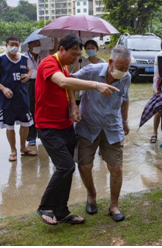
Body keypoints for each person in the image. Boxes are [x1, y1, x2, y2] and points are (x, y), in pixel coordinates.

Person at [34, 33, 119, 226]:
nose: (75, 58)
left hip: (65, 125)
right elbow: (64, 82)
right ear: (61, 49)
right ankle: (45, 206)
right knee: (66, 166)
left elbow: (68, 86)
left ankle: (62, 211)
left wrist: (73, 106)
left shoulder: (64, 67)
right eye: (73, 54)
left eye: (77, 55)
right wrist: (96, 85)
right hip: (48, 127)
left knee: (65, 169)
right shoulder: (48, 63)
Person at [71, 46, 132, 222]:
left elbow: (125, 99)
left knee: (116, 167)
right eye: (120, 67)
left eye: (126, 68)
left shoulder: (126, 77)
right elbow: (69, 82)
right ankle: (91, 195)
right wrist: (73, 105)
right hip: (88, 126)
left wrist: (125, 121)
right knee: (84, 165)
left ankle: (114, 205)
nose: (123, 71)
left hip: (112, 127)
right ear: (111, 63)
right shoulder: (92, 70)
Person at [0, 35, 36, 162]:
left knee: (26, 124)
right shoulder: (0, 59)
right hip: (7, 99)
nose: (14, 47)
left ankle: (23, 148)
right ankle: (13, 151)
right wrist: (3, 88)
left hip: (22, 97)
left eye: (16, 44)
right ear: (6, 45)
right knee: (10, 126)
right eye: (12, 44)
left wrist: (28, 75)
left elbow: (29, 71)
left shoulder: (24, 59)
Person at [25, 39, 50, 147]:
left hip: (42, 82)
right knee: (30, 108)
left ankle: (42, 135)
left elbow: (54, 50)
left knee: (42, 108)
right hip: (30, 83)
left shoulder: (43, 54)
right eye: (35, 44)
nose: (37, 46)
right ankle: (31, 137)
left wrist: (54, 38)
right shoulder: (24, 57)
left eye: (38, 44)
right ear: (29, 45)